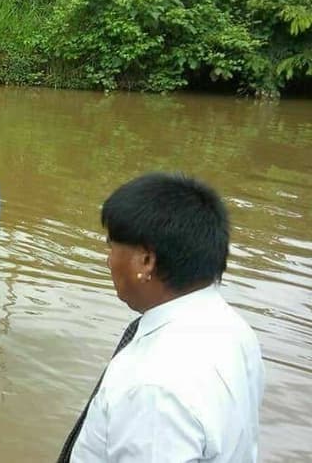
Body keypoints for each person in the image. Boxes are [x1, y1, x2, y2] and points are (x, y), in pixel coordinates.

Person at [58, 172, 265, 463]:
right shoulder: (233, 329)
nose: (108, 260)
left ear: (145, 260)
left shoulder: (153, 386)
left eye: (112, 247)